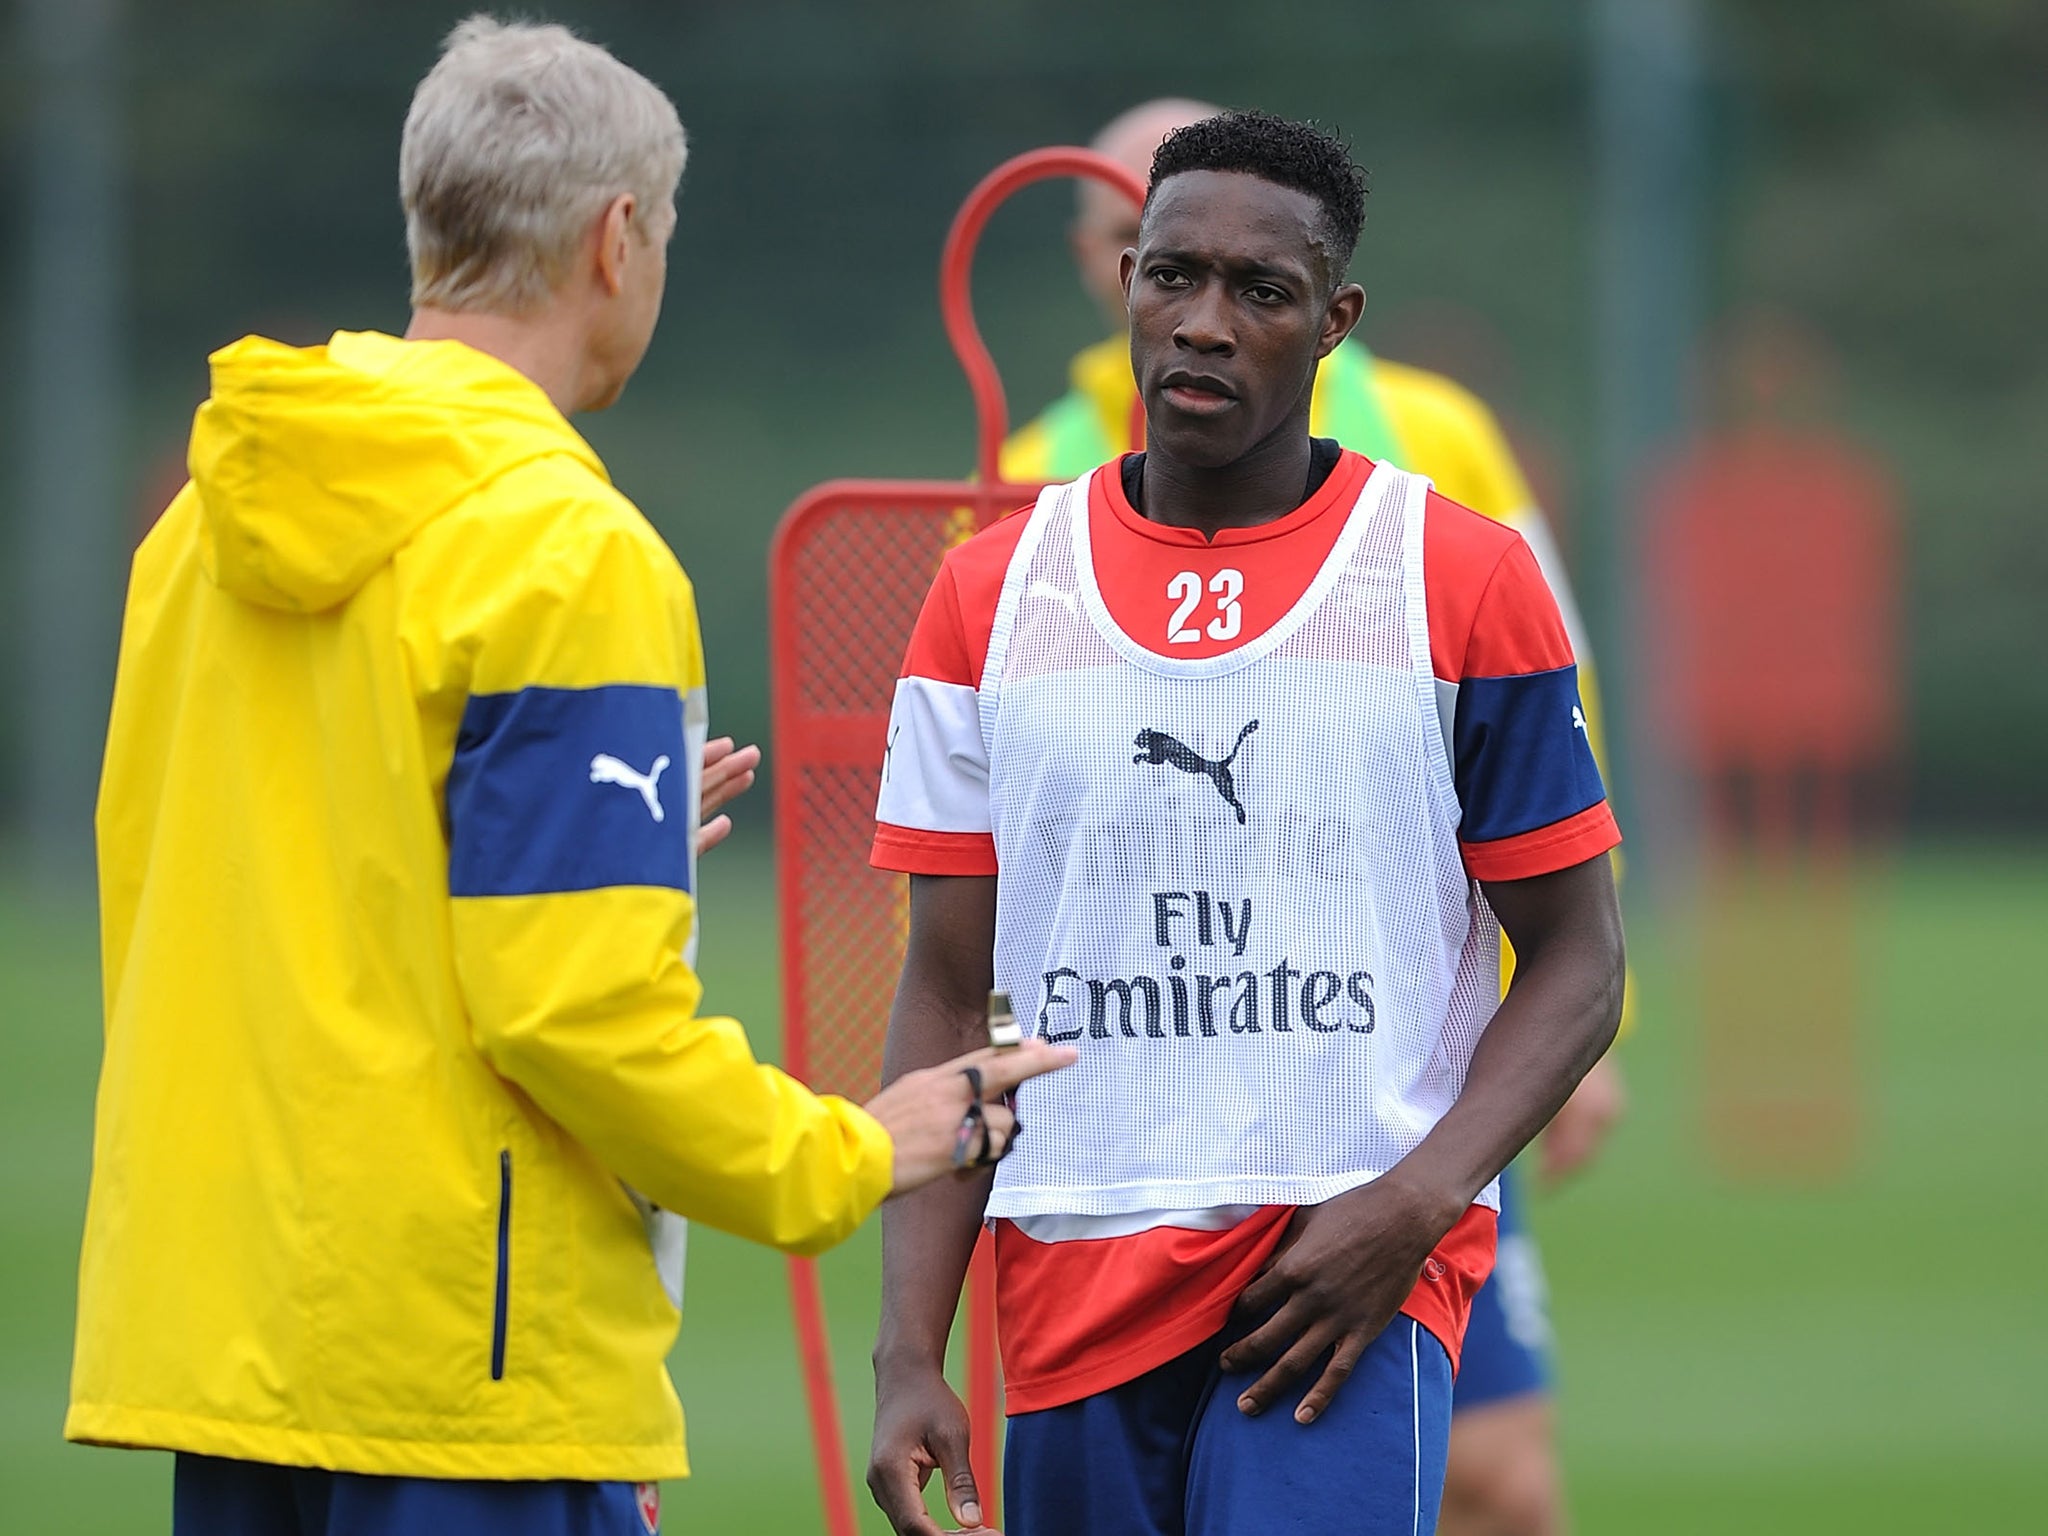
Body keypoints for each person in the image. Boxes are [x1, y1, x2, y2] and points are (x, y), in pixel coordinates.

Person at [67, 17, 1070, 1536]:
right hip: (467, 1383)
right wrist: (856, 1148)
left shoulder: (196, 535)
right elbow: (572, 1013)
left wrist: (606, 847)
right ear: (618, 241)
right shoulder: (565, 549)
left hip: (236, 1352)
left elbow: (237, 883)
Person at [865, 111, 1625, 1536]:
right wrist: (911, 1347)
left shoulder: (1464, 577)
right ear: (1126, 286)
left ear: (1334, 321)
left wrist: (1420, 1204)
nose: (1203, 325)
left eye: (1259, 294)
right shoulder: (987, 591)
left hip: (1346, 1283)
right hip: (1068, 1283)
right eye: (1172, 277)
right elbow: (948, 986)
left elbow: (1582, 955)